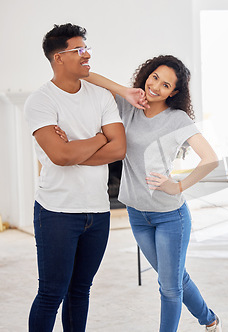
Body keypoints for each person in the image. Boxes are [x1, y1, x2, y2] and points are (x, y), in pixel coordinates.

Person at [77, 55, 221, 332]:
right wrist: (125, 91)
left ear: (174, 93)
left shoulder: (176, 119)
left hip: (170, 217)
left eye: (166, 85)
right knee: (175, 279)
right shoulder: (127, 107)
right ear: (146, 74)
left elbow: (210, 158)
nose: (156, 86)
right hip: (137, 214)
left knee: (168, 287)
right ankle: (210, 320)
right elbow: (87, 76)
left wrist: (178, 186)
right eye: (154, 77)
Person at [23, 23, 126, 331]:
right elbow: (60, 156)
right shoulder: (40, 101)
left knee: (80, 291)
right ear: (59, 58)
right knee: (51, 293)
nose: (87, 54)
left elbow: (119, 148)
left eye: (86, 48)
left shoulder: (102, 96)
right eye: (79, 50)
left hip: (98, 211)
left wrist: (75, 148)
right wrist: (98, 138)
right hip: (56, 212)